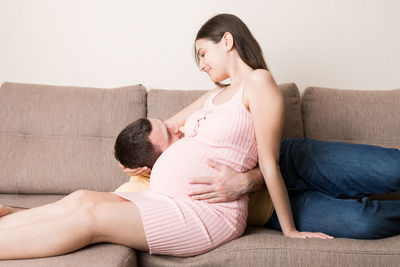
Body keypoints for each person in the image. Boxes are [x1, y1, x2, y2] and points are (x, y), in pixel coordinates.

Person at [116, 118, 400, 239]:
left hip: (286, 161)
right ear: (142, 169)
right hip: (272, 213)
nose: (178, 127)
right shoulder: (142, 189)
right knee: (366, 221)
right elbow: (109, 211)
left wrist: (250, 180)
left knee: (392, 169)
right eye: (169, 134)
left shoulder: (196, 124)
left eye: (166, 123)